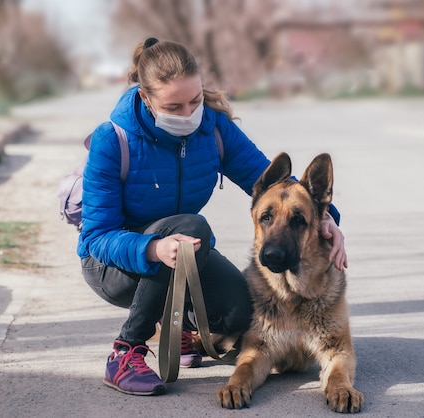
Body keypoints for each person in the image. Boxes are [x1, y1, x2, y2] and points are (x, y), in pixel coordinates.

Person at [78, 37, 348, 396]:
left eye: (195, 101)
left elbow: (276, 184)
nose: (188, 114)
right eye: (173, 106)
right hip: (114, 265)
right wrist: (152, 249)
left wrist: (328, 219)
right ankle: (126, 351)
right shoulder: (112, 139)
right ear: (145, 99)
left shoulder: (214, 128)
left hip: (184, 251)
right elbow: (95, 237)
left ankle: (180, 327)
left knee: (240, 312)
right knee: (192, 227)